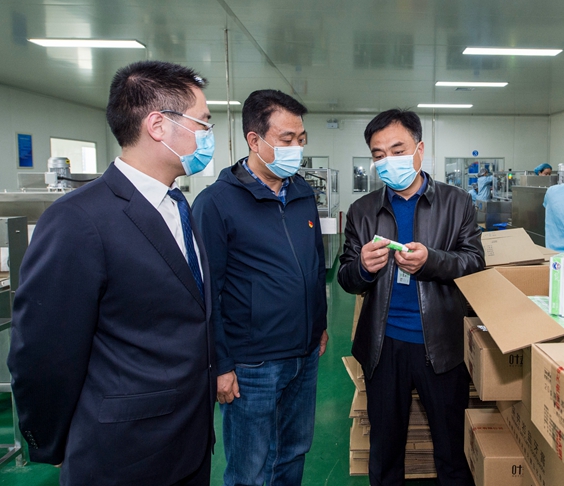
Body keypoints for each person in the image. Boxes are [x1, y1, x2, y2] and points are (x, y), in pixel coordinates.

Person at [7, 60, 216, 485]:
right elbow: (44, 352)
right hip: (122, 454)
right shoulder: (78, 219)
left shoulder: (179, 206)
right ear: (158, 125)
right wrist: (55, 441)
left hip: (189, 441)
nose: (207, 135)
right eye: (202, 122)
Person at [338, 109, 485, 486]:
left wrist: (431, 261)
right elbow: (346, 277)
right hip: (383, 346)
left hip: (442, 345)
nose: (388, 161)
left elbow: (474, 262)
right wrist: (363, 268)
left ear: (419, 149)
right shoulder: (362, 211)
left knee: (452, 450)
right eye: (378, 155)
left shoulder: (456, 202)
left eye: (397, 150)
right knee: (384, 450)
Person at [192, 89, 328, 486]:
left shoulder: (302, 193)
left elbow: (315, 263)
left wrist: (319, 325)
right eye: (287, 140)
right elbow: (206, 293)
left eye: (301, 139)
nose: (296, 149)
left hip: (304, 354)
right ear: (255, 140)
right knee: (249, 468)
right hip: (252, 364)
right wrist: (221, 364)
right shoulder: (216, 203)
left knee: (293, 452)